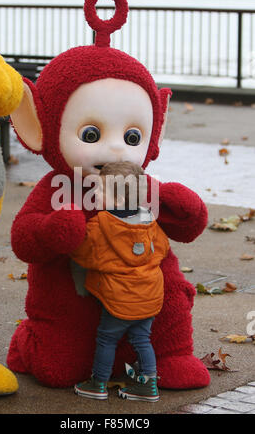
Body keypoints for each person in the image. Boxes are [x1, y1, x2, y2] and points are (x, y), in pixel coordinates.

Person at [71, 161, 170, 402]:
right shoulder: (149, 220)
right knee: (142, 339)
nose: (95, 193)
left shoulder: (99, 226)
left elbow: (83, 255)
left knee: (107, 338)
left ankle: (98, 383)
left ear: (115, 201)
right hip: (149, 295)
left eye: (101, 190)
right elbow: (162, 249)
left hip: (119, 298)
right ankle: (148, 387)